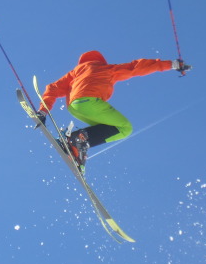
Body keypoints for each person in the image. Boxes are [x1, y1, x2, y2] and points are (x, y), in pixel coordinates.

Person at [36, 50, 191, 172]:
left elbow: (52, 88)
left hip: (75, 107)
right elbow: (135, 67)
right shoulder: (106, 68)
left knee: (109, 128)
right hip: (90, 103)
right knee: (124, 128)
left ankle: (75, 144)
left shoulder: (75, 73)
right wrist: (172, 64)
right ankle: (78, 140)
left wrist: (43, 111)